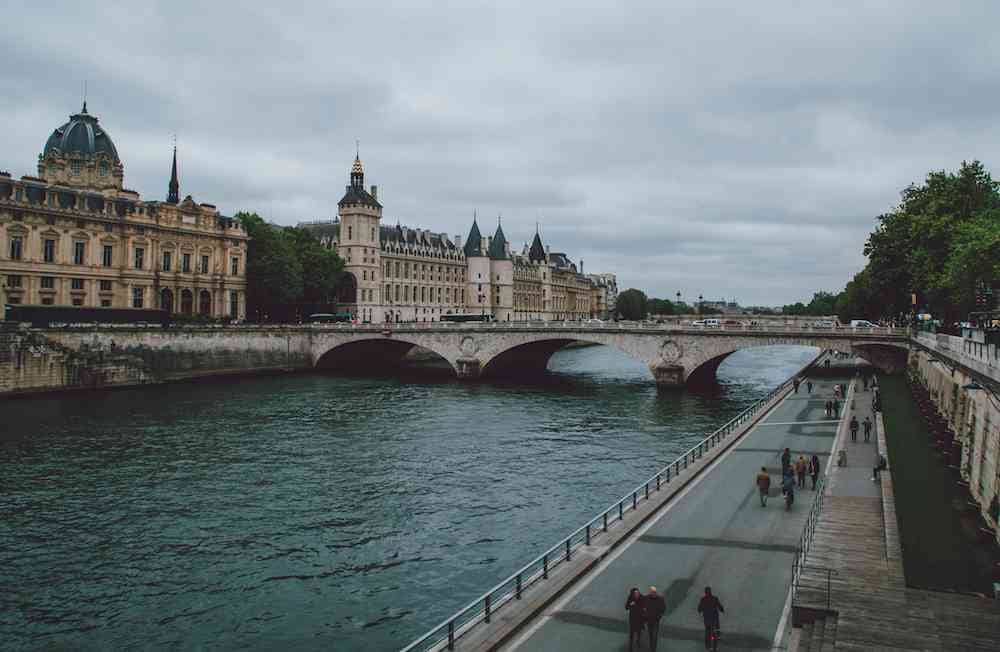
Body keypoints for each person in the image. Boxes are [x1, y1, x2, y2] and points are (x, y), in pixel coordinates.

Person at [643, 586, 666, 651]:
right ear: (650, 592)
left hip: (656, 620)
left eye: (654, 592)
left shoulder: (660, 599)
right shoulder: (646, 598)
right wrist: (645, 615)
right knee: (650, 635)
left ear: (656, 592)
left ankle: (653, 649)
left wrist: (659, 616)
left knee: (654, 636)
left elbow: (663, 608)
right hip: (649, 620)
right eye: (652, 592)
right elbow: (642, 606)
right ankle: (651, 647)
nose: (653, 593)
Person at [625, 587, 645, 651]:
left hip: (639, 618)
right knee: (632, 632)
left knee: (639, 631)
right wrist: (630, 604)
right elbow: (626, 607)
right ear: (633, 594)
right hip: (633, 618)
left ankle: (638, 641)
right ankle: (631, 645)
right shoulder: (630, 598)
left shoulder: (642, 597)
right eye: (635, 593)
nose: (637, 594)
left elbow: (645, 606)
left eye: (638, 593)